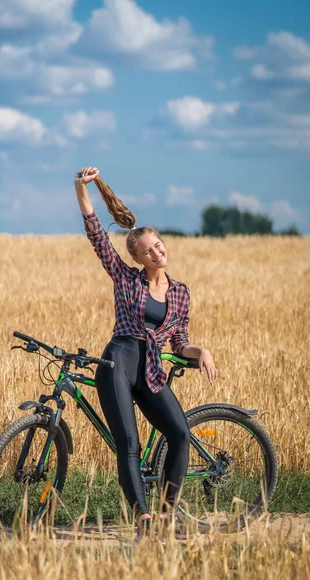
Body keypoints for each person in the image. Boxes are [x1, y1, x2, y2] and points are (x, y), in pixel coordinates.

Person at [74, 166, 217, 537]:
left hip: (151, 373)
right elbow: (95, 233)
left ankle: (168, 517)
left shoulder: (180, 292)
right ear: (137, 258)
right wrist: (81, 188)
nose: (157, 252)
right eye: (148, 251)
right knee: (130, 444)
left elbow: (179, 341)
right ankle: (143, 519)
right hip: (117, 363)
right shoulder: (125, 278)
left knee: (181, 434)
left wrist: (199, 351)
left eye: (159, 245)